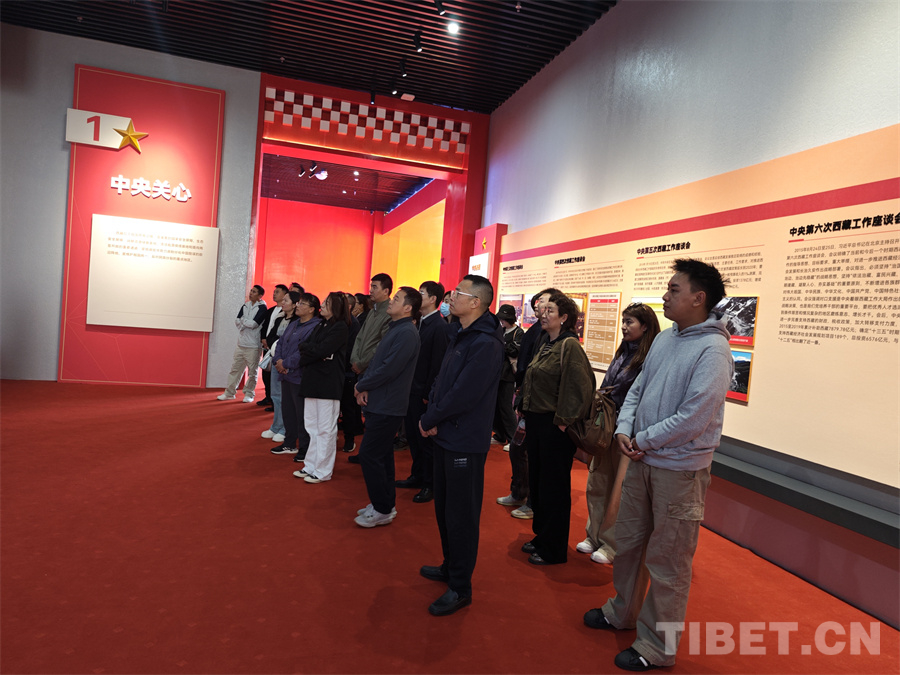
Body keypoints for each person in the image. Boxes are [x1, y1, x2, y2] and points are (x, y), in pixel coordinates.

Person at [584, 259, 732, 672]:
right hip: (643, 458)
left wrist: (642, 439)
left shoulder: (714, 350)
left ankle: (657, 647)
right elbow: (637, 390)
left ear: (698, 298)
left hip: (679, 470)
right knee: (629, 544)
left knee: (668, 562)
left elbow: (694, 417)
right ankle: (621, 612)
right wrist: (624, 429)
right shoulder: (666, 339)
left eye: (673, 290)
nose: (665, 297)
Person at [417, 275, 504, 617]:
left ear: (476, 302)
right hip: (445, 433)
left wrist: (431, 417)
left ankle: (460, 587)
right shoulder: (461, 333)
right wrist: (433, 413)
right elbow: (443, 382)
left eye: (458, 293)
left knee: (461, 516)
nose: (451, 297)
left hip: (464, 440)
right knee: (444, 510)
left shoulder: (485, 343)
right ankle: (450, 565)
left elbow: (464, 394)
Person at [575, 303, 660, 564]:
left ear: (645, 326)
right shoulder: (623, 351)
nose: (624, 327)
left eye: (629, 322)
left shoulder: (650, 357)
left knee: (619, 491)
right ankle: (593, 535)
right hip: (607, 428)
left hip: (628, 433)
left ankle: (611, 545)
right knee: (597, 482)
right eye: (623, 321)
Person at [519, 292, 595, 566]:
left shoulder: (570, 346)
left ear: (564, 317)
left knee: (554, 488)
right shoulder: (546, 343)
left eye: (550, 310)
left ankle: (553, 549)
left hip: (554, 427)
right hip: (538, 424)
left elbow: (581, 388)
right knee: (539, 485)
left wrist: (563, 422)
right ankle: (542, 537)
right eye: (543, 309)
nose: (543, 313)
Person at [352, 286, 422, 527]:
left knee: (370, 455)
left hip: (388, 404)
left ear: (408, 308)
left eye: (397, 299)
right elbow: (378, 363)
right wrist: (366, 386)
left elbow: (389, 369)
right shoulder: (396, 328)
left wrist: (362, 384)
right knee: (381, 455)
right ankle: (384, 504)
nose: (391, 301)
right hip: (380, 400)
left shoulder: (407, 333)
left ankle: (382, 507)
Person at [496, 288, 561, 519]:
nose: (540, 307)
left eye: (546, 304)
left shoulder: (562, 341)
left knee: (535, 457)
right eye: (538, 303)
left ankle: (532, 502)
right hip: (528, 401)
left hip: (542, 409)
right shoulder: (538, 330)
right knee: (518, 449)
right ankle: (520, 492)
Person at [395, 281, 449, 504]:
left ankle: (429, 483)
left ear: (433, 299)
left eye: (422, 293)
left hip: (423, 393)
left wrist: (429, 394)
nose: (418, 296)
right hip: (410, 389)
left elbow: (437, 365)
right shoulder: (418, 322)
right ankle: (417, 475)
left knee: (425, 440)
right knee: (413, 437)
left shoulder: (439, 326)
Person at [293, 292, 351, 483]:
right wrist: (315, 353)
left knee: (325, 429)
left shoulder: (340, 327)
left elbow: (321, 350)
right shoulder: (321, 324)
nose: (323, 305)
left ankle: (323, 471)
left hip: (328, 384)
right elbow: (305, 346)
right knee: (311, 426)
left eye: (327, 303)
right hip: (313, 381)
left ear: (336, 306)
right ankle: (310, 465)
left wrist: (314, 352)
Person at [347, 273, 393, 463]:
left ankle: (371, 455)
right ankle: (367, 453)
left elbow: (381, 346)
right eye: (371, 286)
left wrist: (361, 363)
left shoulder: (388, 313)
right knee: (367, 414)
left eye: (375, 287)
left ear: (386, 291)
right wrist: (355, 360)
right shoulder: (373, 310)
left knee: (373, 417)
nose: (370, 290)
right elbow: (359, 338)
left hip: (372, 371)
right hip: (361, 368)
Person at [271, 292, 321, 457]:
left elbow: (303, 352)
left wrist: (285, 364)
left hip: (300, 376)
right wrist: (278, 361)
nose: (298, 306)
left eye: (302, 304)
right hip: (285, 374)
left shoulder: (315, 327)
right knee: (288, 412)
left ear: (312, 309)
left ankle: (305, 449)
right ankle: (289, 443)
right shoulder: (294, 323)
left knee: (302, 415)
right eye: (298, 303)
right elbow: (280, 343)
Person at [216, 284, 267, 403]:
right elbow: (237, 321)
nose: (251, 293)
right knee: (235, 370)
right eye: (251, 291)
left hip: (253, 345)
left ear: (260, 295)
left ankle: (249, 393)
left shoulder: (262, 308)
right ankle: (229, 393)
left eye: (254, 292)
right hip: (241, 343)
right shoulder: (246, 305)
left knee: (252, 372)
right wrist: (245, 322)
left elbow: (254, 324)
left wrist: (243, 322)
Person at [260, 290, 294, 443]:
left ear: (294, 304)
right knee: (275, 395)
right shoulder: (280, 318)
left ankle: (285, 428)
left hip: (288, 362)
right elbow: (271, 336)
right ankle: (276, 426)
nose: (283, 303)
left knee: (285, 397)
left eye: (286, 300)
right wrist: (277, 349)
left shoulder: (297, 321)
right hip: (276, 358)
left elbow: (291, 342)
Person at [491, 304, 523, 448]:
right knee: (495, 405)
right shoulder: (501, 330)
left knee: (505, 406)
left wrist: (502, 345)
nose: (502, 321)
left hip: (508, 375)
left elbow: (514, 350)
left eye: (504, 318)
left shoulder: (518, 332)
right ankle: (499, 435)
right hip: (497, 372)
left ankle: (512, 439)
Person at [258, 284, 288, 408]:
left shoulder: (285, 312)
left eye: (277, 292)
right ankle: (268, 397)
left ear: (285, 295)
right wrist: (263, 338)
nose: (274, 294)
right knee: (266, 371)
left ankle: (275, 402)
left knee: (275, 374)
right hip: (267, 345)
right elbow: (264, 326)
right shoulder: (270, 310)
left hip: (277, 347)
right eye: (274, 292)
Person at [339, 293, 363, 453]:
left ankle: (349, 439)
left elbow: (352, 349)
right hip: (334, 372)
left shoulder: (353, 324)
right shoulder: (335, 321)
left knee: (348, 408)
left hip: (347, 372)